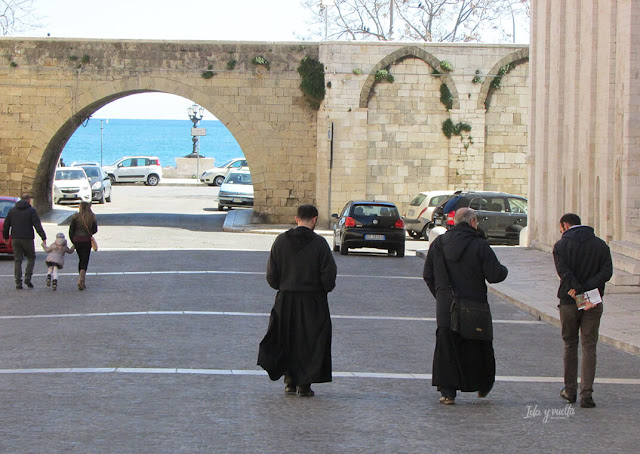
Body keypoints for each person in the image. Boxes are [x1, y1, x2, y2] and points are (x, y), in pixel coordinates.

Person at [423, 207, 508, 405]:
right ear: (472, 222)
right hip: (474, 304)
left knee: (447, 346)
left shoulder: (440, 243)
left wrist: (442, 295)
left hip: (446, 305)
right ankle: (482, 385)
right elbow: (495, 275)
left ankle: (447, 392)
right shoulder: (479, 244)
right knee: (479, 345)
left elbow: (428, 275)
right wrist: (504, 270)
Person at [258, 204, 337, 397]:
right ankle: (304, 384)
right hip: (313, 301)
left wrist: (284, 286)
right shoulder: (320, 244)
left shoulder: (281, 241)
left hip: (286, 300)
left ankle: (289, 381)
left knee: (287, 338)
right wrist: (321, 290)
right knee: (310, 341)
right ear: (315, 220)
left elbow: (271, 276)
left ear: (297, 219)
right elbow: (329, 276)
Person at [553, 213, 612, 408]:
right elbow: (607, 271)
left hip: (569, 299)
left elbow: (563, 271)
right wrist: (588, 288)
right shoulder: (601, 245)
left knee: (570, 344)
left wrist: (577, 289)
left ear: (565, 225)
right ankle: (587, 394)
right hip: (593, 300)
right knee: (589, 346)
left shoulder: (561, 246)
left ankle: (570, 391)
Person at [2, 194, 47, 290]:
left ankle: (18, 282)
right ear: (28, 200)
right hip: (27, 238)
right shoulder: (31, 211)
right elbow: (37, 225)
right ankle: (27, 277)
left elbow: (6, 225)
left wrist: (5, 237)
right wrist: (43, 237)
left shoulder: (12, 211)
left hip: (15, 238)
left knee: (18, 260)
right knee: (31, 257)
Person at [69, 201, 98, 290]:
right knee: (85, 260)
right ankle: (82, 277)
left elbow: (71, 230)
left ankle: (81, 276)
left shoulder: (75, 216)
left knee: (81, 259)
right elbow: (94, 230)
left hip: (77, 240)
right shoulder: (92, 216)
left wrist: (73, 240)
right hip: (86, 240)